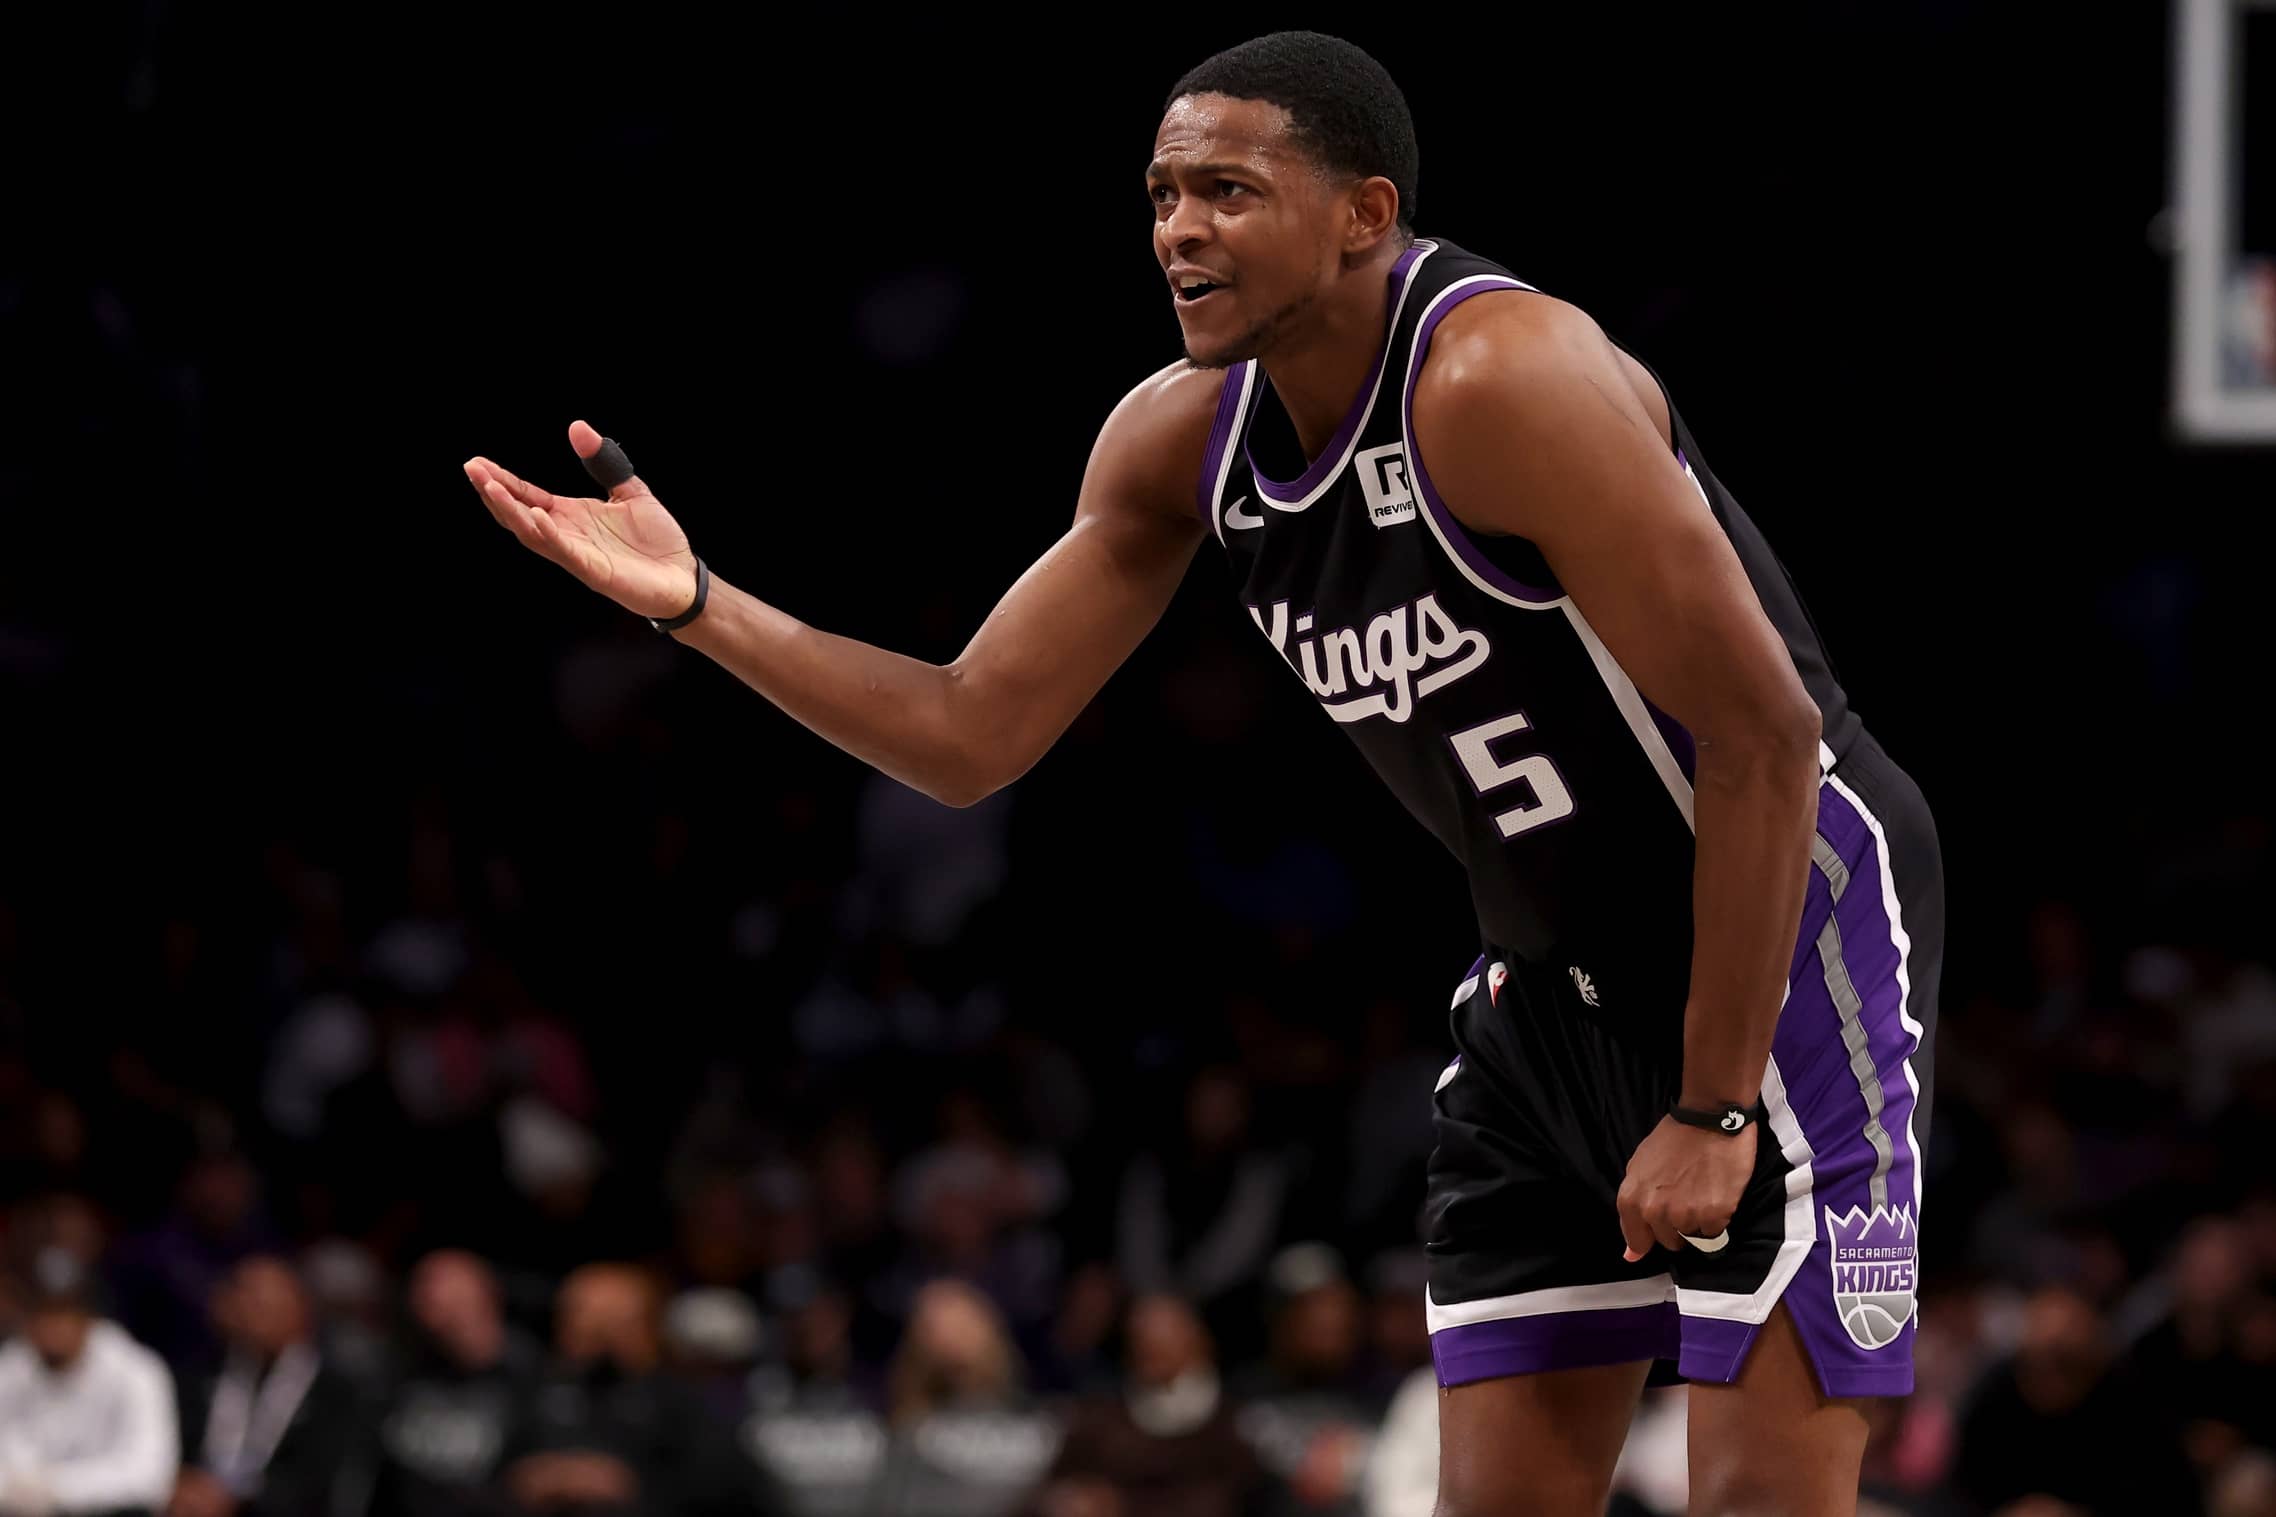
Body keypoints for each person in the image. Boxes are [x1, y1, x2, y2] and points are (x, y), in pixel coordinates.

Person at [466, 28, 1943, 1515]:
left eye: (1229, 191)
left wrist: (1711, 1107)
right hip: (1542, 989)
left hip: (1775, 944)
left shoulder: (1504, 378)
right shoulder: (1183, 438)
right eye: (1164, 194)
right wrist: (701, 605)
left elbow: (1769, 744)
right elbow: (968, 732)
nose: (1179, 230)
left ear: (1364, 212)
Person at [170, 1255, 367, 1517]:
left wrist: (237, 1499)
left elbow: (324, 1485)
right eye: (241, 1297)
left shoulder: (336, 1393)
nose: (246, 1311)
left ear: (300, 1310)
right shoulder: (199, 1374)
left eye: (262, 1303)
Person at [0, 1246, 178, 1516]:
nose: (52, 1325)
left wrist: (53, 1488)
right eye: (42, 1311)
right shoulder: (10, 1367)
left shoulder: (136, 1370)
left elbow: (150, 1477)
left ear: (88, 1316)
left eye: (64, 1312)